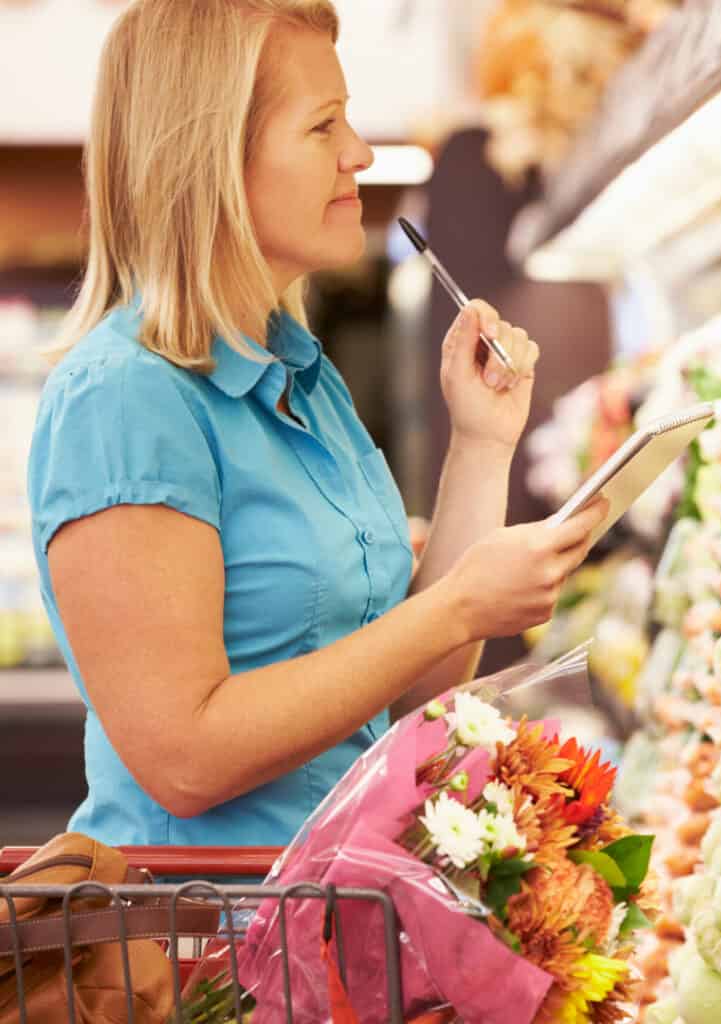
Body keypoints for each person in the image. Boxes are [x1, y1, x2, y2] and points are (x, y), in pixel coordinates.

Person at [27, 0, 607, 849]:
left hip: (330, 925)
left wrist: (482, 446)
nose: (360, 154)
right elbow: (185, 758)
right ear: (214, 156)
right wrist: (451, 608)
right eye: (323, 126)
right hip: (205, 952)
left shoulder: (300, 374)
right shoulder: (125, 399)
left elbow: (413, 692)